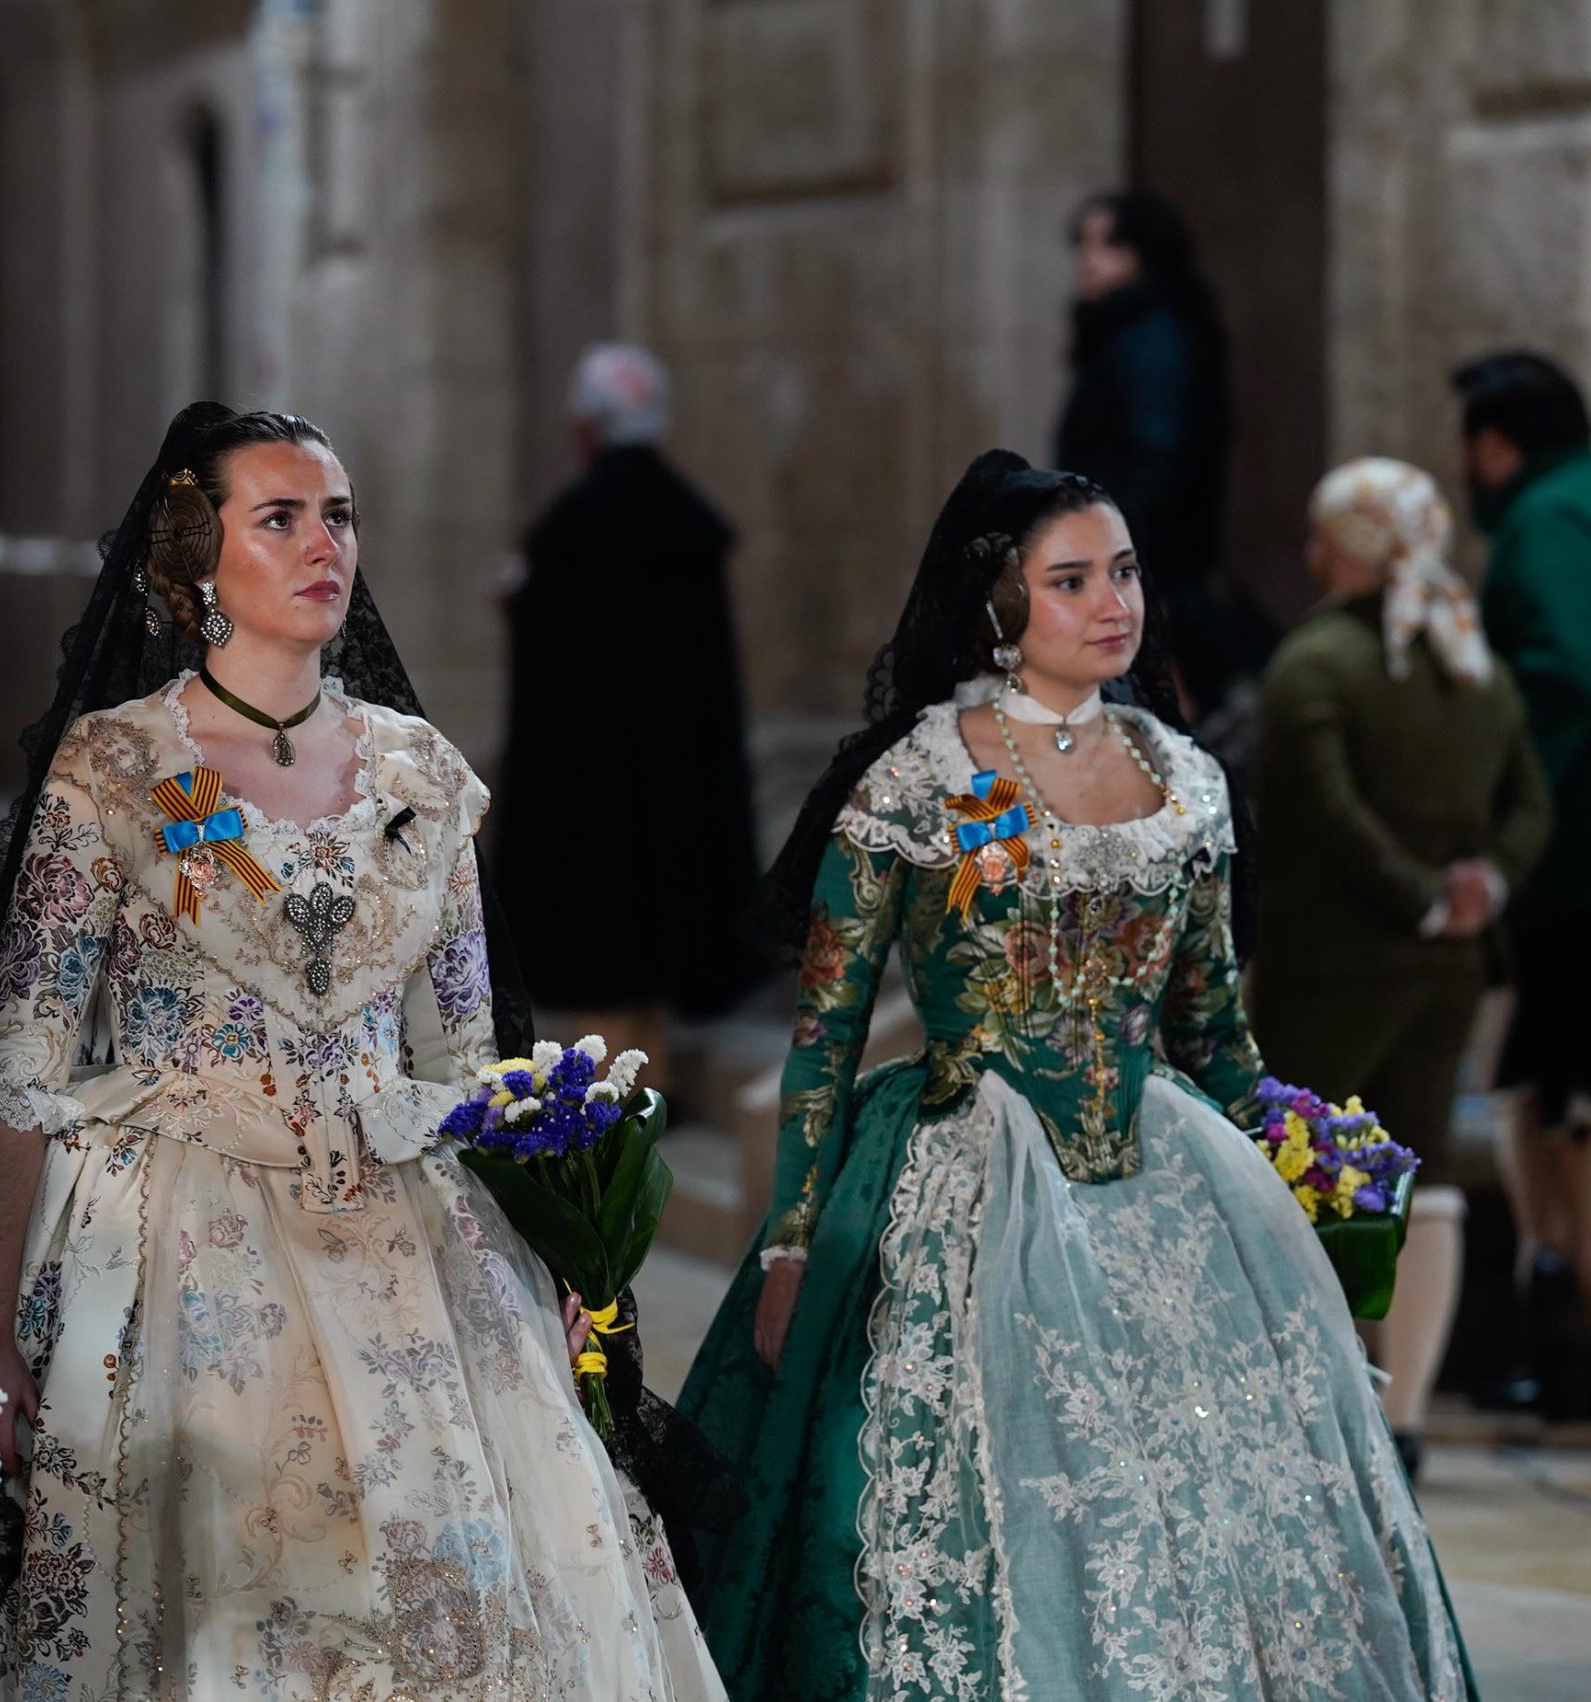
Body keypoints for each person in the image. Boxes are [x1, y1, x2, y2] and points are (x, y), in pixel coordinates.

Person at [0, 403, 724, 1699]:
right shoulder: (117, 767)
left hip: (406, 1233)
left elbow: (463, 1055)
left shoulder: (419, 773)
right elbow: (20, 1062)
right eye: (279, 518)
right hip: (171, 1234)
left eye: (338, 515)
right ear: (194, 556)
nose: (325, 544)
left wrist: (551, 1250)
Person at [676, 451, 1471, 1699]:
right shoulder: (917, 782)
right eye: (1072, 580)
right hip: (964, 1180)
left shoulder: (1185, 780)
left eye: (1126, 571)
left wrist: (1306, 1158)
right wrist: (789, 1244)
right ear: (999, 603)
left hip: (1166, 1186)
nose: (1115, 603)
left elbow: (1214, 1030)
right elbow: (824, 1034)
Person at [1250, 456, 1549, 1471]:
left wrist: (1416, 894)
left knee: (1313, 1167)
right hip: (1450, 966)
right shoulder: (1472, 664)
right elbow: (1529, 803)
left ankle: (1322, 1407)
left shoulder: (1317, 662)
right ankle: (1407, 1415)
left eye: (1321, 533)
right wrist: (1479, 890)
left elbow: (1320, 812)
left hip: (1330, 963)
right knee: (1429, 1178)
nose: (1309, 551)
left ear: (1350, 545)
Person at [496, 344, 760, 1047]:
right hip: (678, 791)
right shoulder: (687, 532)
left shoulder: (572, 535)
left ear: (588, 428)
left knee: (604, 958)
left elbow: (556, 673)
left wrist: (522, 604)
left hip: (594, 796)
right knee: (661, 952)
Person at [1454, 349, 1591, 1418]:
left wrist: (1509, 831)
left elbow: (1563, 681)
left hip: (1575, 862)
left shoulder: (1545, 521)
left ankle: (1573, 1333)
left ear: (1495, 447)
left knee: (1557, 1098)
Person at [1056, 190, 1249, 716]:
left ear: (1143, 254)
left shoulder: (1151, 338)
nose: (1089, 259)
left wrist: (1109, 546)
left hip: (1147, 556)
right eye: (1084, 243)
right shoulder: (1122, 331)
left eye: (1110, 245)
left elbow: (1156, 459)